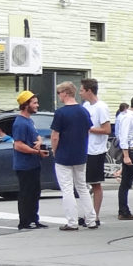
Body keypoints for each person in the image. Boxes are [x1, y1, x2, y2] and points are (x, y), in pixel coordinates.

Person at [47, 82, 95, 230]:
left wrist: (55, 151)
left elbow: (55, 136)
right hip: (80, 153)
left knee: (67, 188)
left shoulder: (61, 113)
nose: (59, 96)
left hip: (64, 154)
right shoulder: (83, 111)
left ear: (65, 93)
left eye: (59, 93)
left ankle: (72, 222)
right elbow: (88, 130)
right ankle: (91, 220)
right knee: (82, 187)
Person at [10, 90, 47, 229]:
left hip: (33, 163)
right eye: (34, 103)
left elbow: (37, 135)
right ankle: (24, 221)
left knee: (35, 192)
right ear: (26, 105)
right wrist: (36, 151)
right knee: (26, 193)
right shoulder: (20, 123)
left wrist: (39, 141)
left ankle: (34, 219)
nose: (37, 105)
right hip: (24, 165)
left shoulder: (29, 121)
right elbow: (18, 145)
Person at [81, 78, 110, 228]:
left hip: (96, 150)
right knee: (83, 183)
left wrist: (90, 129)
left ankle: (95, 215)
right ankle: (88, 212)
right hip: (85, 148)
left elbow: (107, 130)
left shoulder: (101, 107)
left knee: (95, 183)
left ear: (89, 91)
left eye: (82, 90)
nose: (80, 93)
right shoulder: (86, 106)